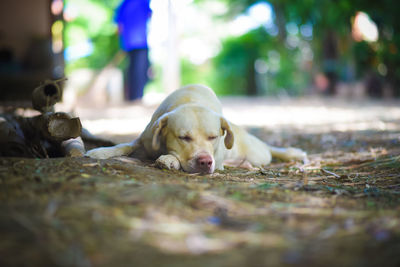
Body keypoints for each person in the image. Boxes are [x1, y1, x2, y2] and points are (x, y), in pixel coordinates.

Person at [115, 0, 151, 101]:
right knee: (141, 70)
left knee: (132, 69)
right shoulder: (144, 1)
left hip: (128, 42)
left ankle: (132, 96)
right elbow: (149, 14)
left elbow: (119, 26)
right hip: (141, 41)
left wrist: (122, 42)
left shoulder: (124, 3)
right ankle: (137, 96)